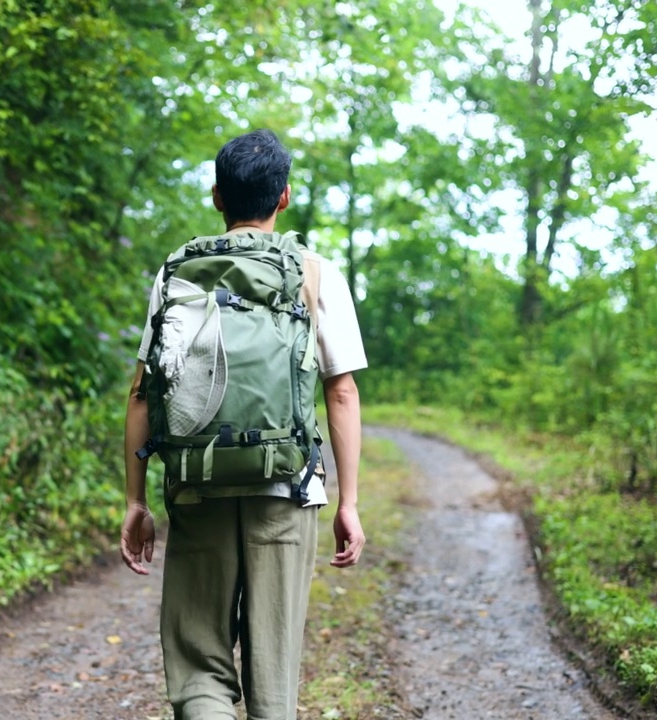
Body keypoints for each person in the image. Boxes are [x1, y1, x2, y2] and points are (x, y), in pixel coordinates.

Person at [120, 128, 368, 720]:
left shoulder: (176, 273)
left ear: (216, 196)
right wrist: (349, 502)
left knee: (199, 662)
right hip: (286, 488)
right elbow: (341, 392)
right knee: (272, 671)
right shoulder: (314, 272)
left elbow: (140, 395)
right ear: (282, 197)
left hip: (197, 483)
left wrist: (134, 500)